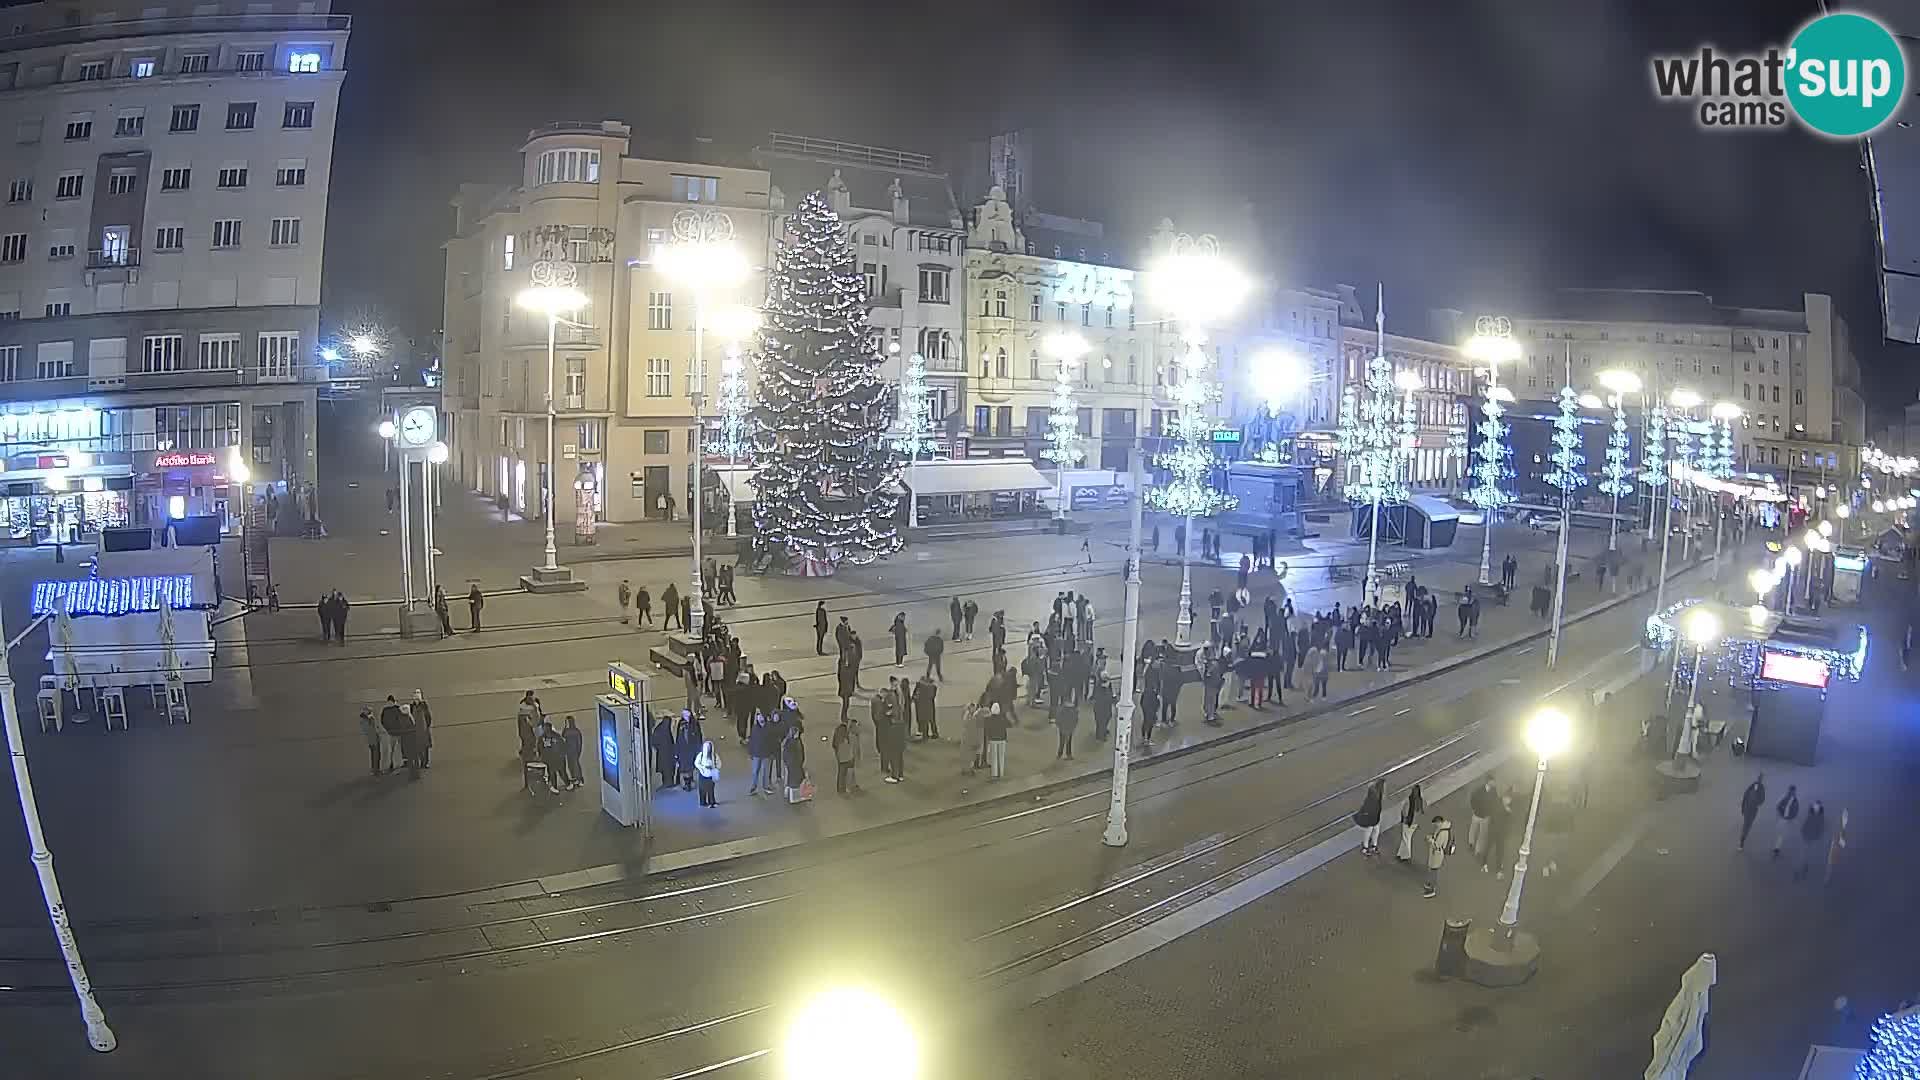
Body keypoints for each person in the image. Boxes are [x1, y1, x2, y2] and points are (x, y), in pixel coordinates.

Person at [1423, 814, 1454, 898]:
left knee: (1434, 871)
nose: (1435, 826)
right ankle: (1430, 884)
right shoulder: (1442, 829)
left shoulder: (1443, 832)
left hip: (1437, 854)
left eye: (1435, 824)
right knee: (1433, 869)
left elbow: (1437, 845)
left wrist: (1430, 840)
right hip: (1436, 854)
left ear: (1439, 822)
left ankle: (1432, 889)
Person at [1795, 800, 1827, 881]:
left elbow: (1821, 826)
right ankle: (1800, 869)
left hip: (1812, 836)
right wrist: (1803, 831)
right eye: (1816, 805)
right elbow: (1805, 822)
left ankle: (1803, 868)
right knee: (1804, 852)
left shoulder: (1820, 815)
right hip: (1807, 835)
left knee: (1807, 853)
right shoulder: (1811, 813)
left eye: (1818, 806)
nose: (1816, 807)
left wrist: (1817, 835)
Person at [378, 695, 409, 775]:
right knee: (398, 750)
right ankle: (398, 764)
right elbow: (402, 719)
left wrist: (387, 729)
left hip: (391, 733)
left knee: (391, 750)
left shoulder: (385, 710)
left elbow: (382, 721)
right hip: (398, 732)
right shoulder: (397, 708)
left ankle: (391, 764)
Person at [1354, 779, 1385, 856]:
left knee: (1372, 831)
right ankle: (1367, 847)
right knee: (1372, 831)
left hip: (1374, 816)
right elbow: (1368, 805)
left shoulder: (1377, 793)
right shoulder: (1375, 794)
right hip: (1373, 816)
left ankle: (1369, 846)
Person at [1396, 783, 1425, 863]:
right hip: (1415, 823)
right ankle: (1401, 853)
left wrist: (1403, 818)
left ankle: (1406, 855)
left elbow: (1405, 811)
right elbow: (1423, 810)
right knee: (1406, 838)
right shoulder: (1420, 800)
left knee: (1406, 839)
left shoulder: (1409, 800)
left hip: (1408, 822)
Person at [747, 712, 774, 796]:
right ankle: (753, 787)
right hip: (756, 754)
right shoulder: (755, 728)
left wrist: (772, 753)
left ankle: (766, 787)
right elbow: (751, 741)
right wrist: (750, 752)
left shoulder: (769, 728)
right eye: (758, 717)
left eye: (761, 716)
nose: (760, 718)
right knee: (755, 771)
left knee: (766, 771)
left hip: (766, 753)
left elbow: (772, 741)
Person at [1468, 780, 1496, 861]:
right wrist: (1474, 809)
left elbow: (1493, 803)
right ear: (1489, 781)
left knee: (1482, 834)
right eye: (1493, 782)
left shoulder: (1492, 791)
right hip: (1478, 814)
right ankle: (1471, 844)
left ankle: (1478, 850)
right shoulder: (1479, 790)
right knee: (1474, 830)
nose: (1494, 783)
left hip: (1485, 816)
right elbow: (1473, 799)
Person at [535, 719, 565, 794]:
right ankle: (555, 787)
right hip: (550, 758)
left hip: (556, 758)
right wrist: (540, 755)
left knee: (559, 772)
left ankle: (565, 784)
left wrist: (562, 754)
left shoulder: (555, 736)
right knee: (553, 773)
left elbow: (562, 745)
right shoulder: (542, 738)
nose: (545, 729)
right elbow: (539, 747)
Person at [676, 710, 703, 792]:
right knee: (685, 767)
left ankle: (689, 781)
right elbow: (678, 737)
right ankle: (687, 782)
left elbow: (698, 736)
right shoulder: (681, 724)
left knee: (690, 766)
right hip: (683, 749)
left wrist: (699, 749)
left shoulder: (694, 724)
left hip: (691, 748)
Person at [1738, 773, 1767, 850]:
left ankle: (1742, 839)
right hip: (1747, 808)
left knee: (1747, 825)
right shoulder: (1752, 786)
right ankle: (1742, 839)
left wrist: (1756, 801)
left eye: (1760, 778)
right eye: (1758, 778)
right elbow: (1745, 795)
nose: (1759, 779)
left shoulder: (1761, 789)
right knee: (1746, 824)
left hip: (1753, 810)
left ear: (1761, 779)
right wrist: (1743, 807)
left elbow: (1762, 800)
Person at [1771, 783, 1800, 858]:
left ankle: (1777, 847)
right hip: (1784, 819)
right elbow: (1778, 805)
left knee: (1784, 833)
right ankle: (1777, 848)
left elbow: (1796, 810)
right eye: (1791, 791)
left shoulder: (1794, 800)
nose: (1792, 792)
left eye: (1793, 791)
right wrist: (1782, 812)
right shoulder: (1785, 797)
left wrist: (1792, 816)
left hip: (1788, 819)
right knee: (1782, 833)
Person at [781, 723, 808, 804]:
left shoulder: (791, 741)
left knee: (790, 780)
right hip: (794, 764)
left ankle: (789, 795)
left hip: (793, 764)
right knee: (793, 781)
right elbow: (796, 754)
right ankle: (793, 798)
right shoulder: (793, 743)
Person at [649, 713, 678, 789]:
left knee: (665, 771)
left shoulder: (659, 729)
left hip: (662, 755)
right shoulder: (666, 731)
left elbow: (653, 742)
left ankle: (666, 783)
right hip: (667, 756)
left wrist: (659, 749)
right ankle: (669, 783)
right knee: (669, 770)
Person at [983, 703, 1010, 779]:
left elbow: (987, 730)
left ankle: (994, 773)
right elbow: (1006, 728)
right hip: (1002, 739)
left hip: (993, 740)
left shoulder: (988, 719)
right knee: (1001, 756)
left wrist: (989, 738)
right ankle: (1001, 772)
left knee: (994, 757)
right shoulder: (1002, 718)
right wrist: (1005, 738)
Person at [409, 690, 434, 770]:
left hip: (423, 729)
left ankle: (425, 762)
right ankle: (422, 761)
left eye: (417, 699)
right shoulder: (412, 706)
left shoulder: (424, 705)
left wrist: (427, 726)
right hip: (416, 729)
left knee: (425, 746)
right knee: (418, 747)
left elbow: (428, 716)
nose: (416, 700)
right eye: (415, 699)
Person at [832, 718, 856, 793]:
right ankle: (842, 788)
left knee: (845, 770)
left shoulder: (842, 730)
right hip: (844, 754)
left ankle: (845, 786)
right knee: (843, 770)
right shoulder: (842, 732)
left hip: (844, 753)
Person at [694, 740, 721, 807]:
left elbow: (719, 763)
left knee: (711, 789)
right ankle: (703, 802)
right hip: (702, 774)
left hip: (711, 775)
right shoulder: (701, 755)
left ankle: (711, 801)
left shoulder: (714, 756)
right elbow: (697, 763)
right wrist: (702, 768)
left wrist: (714, 768)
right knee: (702, 788)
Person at [561, 715, 585, 790]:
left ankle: (580, 779)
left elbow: (579, 742)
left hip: (574, 751)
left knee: (575, 765)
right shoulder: (567, 730)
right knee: (571, 765)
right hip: (568, 751)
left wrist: (579, 751)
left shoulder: (576, 731)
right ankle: (574, 778)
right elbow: (563, 735)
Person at [357, 707, 381, 776]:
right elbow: (372, 729)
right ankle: (376, 770)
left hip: (371, 739)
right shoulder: (367, 719)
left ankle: (374, 769)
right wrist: (371, 719)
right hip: (373, 739)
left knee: (374, 755)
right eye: (370, 712)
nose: (371, 713)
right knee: (376, 755)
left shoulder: (364, 719)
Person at [913, 674, 938, 739]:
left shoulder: (921, 687)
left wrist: (916, 699)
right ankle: (934, 733)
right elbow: (932, 696)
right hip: (930, 706)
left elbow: (916, 696)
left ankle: (925, 734)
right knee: (932, 720)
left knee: (924, 720)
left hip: (923, 706)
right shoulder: (933, 687)